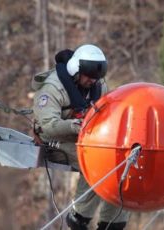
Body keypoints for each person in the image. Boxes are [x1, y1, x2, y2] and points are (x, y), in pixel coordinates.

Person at [32, 44, 130, 230]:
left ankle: (113, 223)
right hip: (57, 141)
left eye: (95, 77)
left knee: (123, 162)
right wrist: (77, 126)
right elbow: (48, 127)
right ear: (75, 70)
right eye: (88, 76)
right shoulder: (52, 89)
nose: (92, 81)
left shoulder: (97, 86)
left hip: (87, 138)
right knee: (101, 161)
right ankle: (79, 217)